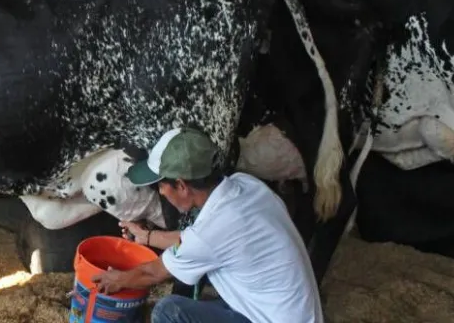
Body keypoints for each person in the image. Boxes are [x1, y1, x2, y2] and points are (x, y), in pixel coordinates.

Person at [91, 127, 324, 323]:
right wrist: (146, 236)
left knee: (170, 312)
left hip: (265, 318)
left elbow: (152, 272)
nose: (160, 192)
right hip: (276, 311)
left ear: (181, 185)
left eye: (161, 186)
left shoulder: (213, 231)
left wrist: (115, 279)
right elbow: (194, 238)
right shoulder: (245, 186)